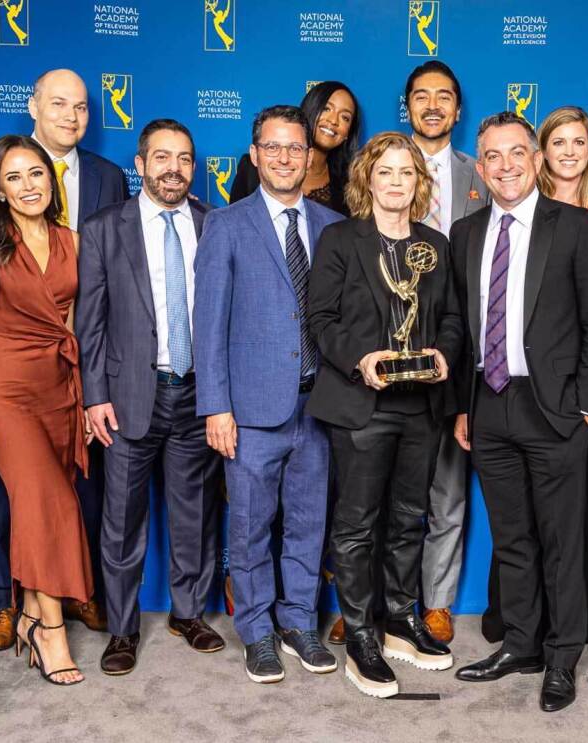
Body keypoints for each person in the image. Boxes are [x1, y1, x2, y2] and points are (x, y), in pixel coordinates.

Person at [0, 68, 127, 649]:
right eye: (59, 103)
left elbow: (99, 293)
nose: (71, 115)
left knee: (68, 490)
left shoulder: (106, 178)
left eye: (81, 107)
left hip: (63, 375)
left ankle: (71, 591)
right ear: (34, 106)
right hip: (3, 369)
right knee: (14, 489)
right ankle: (14, 608)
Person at [451, 112, 588, 713]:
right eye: (493, 156)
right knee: (513, 538)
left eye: (517, 153)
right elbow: (462, 334)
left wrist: (585, 403)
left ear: (537, 158)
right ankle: (520, 644)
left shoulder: (573, 226)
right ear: (481, 164)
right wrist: (462, 408)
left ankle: (561, 654)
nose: (506, 166)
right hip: (490, 404)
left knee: (561, 539)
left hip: (555, 408)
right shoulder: (465, 234)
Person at [307, 131, 461, 698]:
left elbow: (449, 317)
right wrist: (360, 358)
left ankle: (400, 619)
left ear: (420, 183)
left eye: (407, 173)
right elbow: (321, 320)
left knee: (409, 517)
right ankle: (362, 636)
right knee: (356, 525)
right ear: (367, 179)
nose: (397, 182)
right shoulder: (340, 240)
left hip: (420, 405)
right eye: (386, 172)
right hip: (362, 407)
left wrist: (443, 352)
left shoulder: (435, 244)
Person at [194, 105, 344, 685]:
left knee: (309, 523)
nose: (285, 158)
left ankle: (298, 622)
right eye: (273, 148)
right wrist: (217, 406)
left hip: (320, 404)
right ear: (255, 155)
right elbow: (209, 325)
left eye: (295, 148)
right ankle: (257, 631)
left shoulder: (332, 226)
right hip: (251, 410)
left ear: (309, 157)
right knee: (251, 526)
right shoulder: (227, 225)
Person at [76, 119, 224, 676]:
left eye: (184, 159)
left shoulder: (215, 224)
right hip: (128, 395)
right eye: (162, 158)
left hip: (195, 393)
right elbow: (89, 324)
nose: (174, 169)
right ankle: (122, 628)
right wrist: (94, 397)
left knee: (194, 514)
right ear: (139, 165)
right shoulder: (104, 229)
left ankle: (189, 614)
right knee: (121, 519)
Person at [0, 135, 94, 685]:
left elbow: (76, 325)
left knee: (48, 502)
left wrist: (83, 395)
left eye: (36, 174)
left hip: (60, 386)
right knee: (43, 500)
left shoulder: (73, 241)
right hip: (6, 387)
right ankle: (50, 631)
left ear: (50, 179)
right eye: (14, 178)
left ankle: (32, 613)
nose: (28, 186)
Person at [405, 59, 488, 644]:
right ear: (406, 107)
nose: (432, 105)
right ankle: (374, 600)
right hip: (388, 359)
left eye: (444, 97)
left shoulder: (484, 173)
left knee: (448, 490)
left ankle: (436, 602)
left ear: (458, 110)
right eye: (421, 96)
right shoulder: (378, 167)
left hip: (461, 354)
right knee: (381, 490)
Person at [536, 105, 588, 643]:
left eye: (578, 142)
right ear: (541, 151)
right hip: (530, 387)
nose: (568, 151)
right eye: (557, 142)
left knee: (583, 512)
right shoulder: (522, 208)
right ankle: (525, 621)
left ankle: (577, 625)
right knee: (526, 512)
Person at [229, 81, 361, 215]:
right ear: (310, 109)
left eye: (345, 117)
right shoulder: (253, 167)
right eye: (326, 109)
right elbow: (235, 222)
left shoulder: (349, 181)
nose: (334, 120)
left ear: (348, 133)